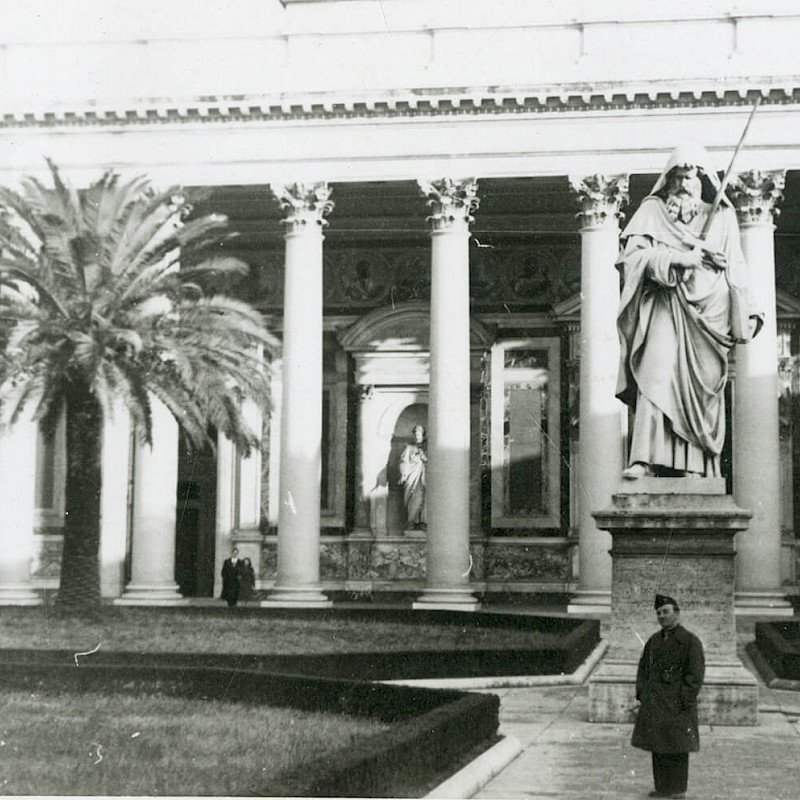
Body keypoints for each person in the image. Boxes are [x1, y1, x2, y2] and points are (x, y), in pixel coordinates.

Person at [616, 143, 763, 479]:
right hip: (665, 305)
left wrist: (751, 310)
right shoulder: (652, 212)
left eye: (690, 177)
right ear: (668, 180)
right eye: (678, 177)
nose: (684, 184)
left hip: (709, 314)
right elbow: (632, 259)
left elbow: (736, 266)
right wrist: (678, 258)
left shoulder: (722, 216)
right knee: (655, 373)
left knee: (700, 392)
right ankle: (644, 459)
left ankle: (696, 467)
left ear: (702, 181)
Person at [632, 594, 705, 799]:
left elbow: (695, 675)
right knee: (658, 745)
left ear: (677, 614)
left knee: (678, 748)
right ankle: (662, 788)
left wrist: (684, 700)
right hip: (655, 703)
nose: (662, 616)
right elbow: (643, 669)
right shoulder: (654, 641)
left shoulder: (690, 641)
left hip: (678, 705)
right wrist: (643, 694)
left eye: (666, 612)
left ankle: (678, 790)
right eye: (659, 613)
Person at [398, 424, 427, 529]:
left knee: (422, 497)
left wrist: (424, 457)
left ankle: (422, 522)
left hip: (424, 477)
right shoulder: (409, 448)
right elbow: (403, 461)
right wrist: (403, 474)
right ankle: (411, 522)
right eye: (415, 434)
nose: (417, 436)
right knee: (412, 497)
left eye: (419, 434)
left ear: (423, 435)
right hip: (412, 477)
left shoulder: (428, 448)